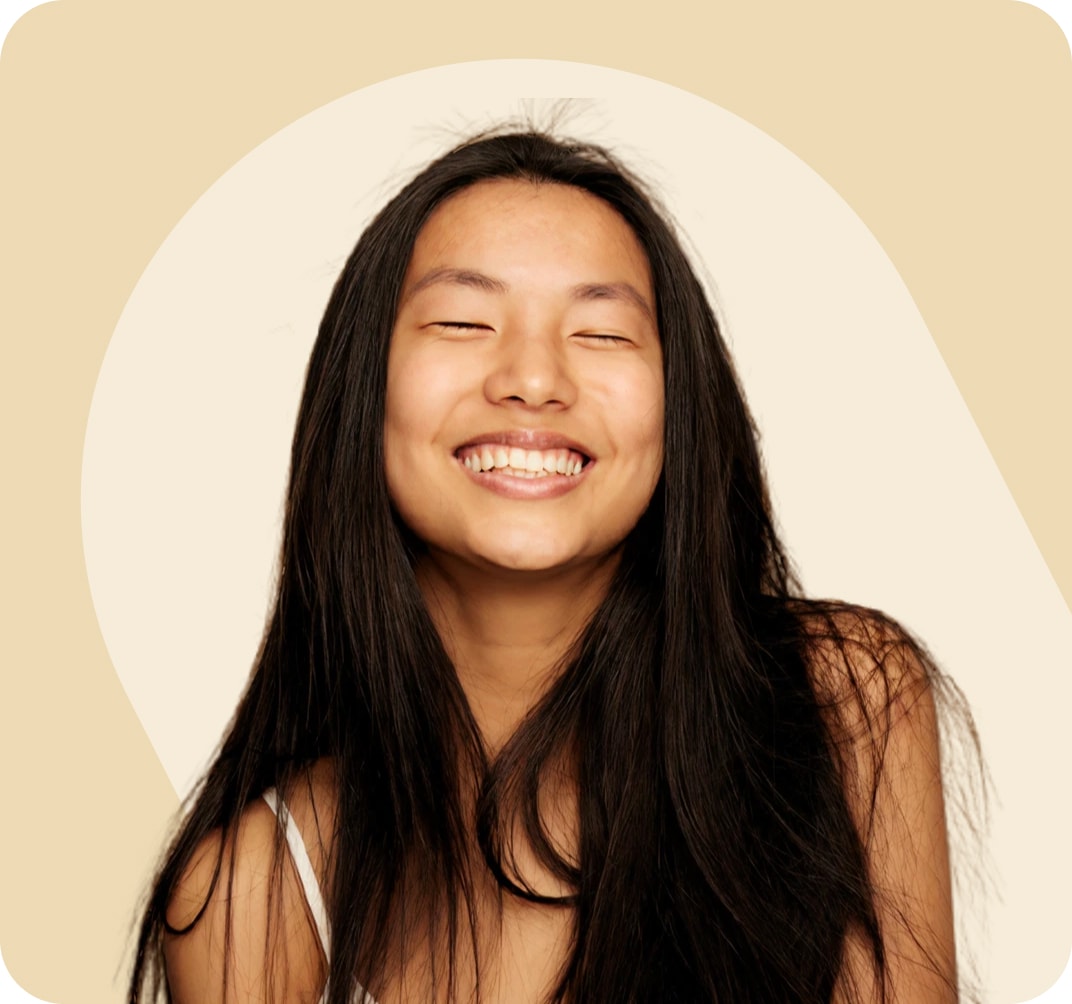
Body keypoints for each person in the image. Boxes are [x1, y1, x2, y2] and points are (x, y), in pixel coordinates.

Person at [129, 128, 973, 1003]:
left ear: (679, 408)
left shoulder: (841, 699)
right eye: (462, 321)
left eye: (603, 333)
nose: (533, 378)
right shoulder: (252, 892)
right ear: (362, 393)